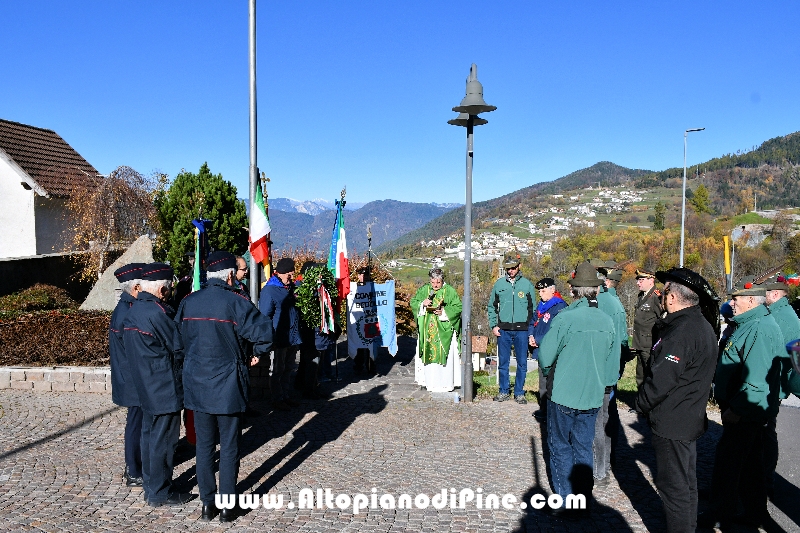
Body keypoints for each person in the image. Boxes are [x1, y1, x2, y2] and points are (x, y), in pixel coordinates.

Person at [175, 251, 273, 522]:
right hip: (228, 384)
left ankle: (208, 504)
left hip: (197, 385)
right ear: (230, 275)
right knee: (229, 446)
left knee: (204, 446)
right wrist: (256, 353)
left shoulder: (188, 302)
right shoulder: (236, 302)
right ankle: (228, 506)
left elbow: (177, 343)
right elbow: (264, 333)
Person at [698, 276, 785, 529]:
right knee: (750, 467)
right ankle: (755, 513)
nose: (731, 303)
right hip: (744, 408)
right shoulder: (751, 323)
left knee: (730, 463)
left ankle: (719, 512)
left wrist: (736, 410)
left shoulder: (758, 327)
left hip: (745, 410)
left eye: (735, 299)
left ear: (750, 300)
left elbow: (757, 380)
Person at [636, 267, 719, 533]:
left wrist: (641, 404)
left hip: (674, 421)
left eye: (665, 291)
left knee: (675, 490)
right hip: (686, 416)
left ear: (672, 297)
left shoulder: (682, 331)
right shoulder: (697, 323)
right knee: (686, 485)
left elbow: (661, 380)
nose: (661, 295)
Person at [538, 262, 615, 515]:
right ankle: (582, 500)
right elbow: (612, 363)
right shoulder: (606, 321)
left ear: (573, 290)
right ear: (595, 290)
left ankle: (565, 500)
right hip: (593, 395)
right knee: (584, 445)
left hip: (563, 394)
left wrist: (550, 375)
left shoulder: (566, 318)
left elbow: (545, 357)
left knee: (560, 446)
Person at [123, 263, 193, 507]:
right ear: (162, 289)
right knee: (163, 442)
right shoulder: (157, 313)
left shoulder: (134, 310)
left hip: (146, 386)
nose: (172, 290)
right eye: (170, 287)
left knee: (149, 438)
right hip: (164, 387)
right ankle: (160, 492)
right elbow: (179, 345)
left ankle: (151, 485)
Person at [757, 271, 800, 498]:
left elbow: (779, 356)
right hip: (772, 383)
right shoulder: (782, 313)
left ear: (774, 294)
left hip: (771, 385)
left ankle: (763, 483)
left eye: (764, 293)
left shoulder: (781, 318)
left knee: (765, 435)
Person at [109, 262, 146, 488]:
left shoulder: (127, 307)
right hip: (133, 379)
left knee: (137, 422)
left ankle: (135, 463)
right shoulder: (127, 312)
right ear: (135, 288)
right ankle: (134, 470)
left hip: (130, 377)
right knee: (135, 424)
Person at [591, 261, 627, 486]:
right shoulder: (616, 303)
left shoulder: (599, 302)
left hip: (597, 370)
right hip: (610, 371)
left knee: (596, 422)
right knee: (607, 417)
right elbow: (622, 341)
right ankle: (607, 463)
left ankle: (599, 470)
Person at [487, 254, 536, 404]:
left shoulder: (527, 285)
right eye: (508, 268)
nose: (511, 271)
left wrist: (530, 330)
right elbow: (491, 306)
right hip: (504, 330)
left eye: (513, 268)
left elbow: (532, 309)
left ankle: (519, 393)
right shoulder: (499, 285)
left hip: (522, 330)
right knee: (503, 362)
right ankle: (503, 391)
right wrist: (494, 325)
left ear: (519, 266)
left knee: (522, 363)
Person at [259, 257, 301, 411]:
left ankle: (286, 396)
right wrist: (268, 338)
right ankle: (277, 398)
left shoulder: (292, 288)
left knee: (289, 367)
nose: (290, 278)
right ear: (279, 273)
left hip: (293, 336)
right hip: (279, 337)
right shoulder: (269, 290)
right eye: (287, 275)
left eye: (292, 274)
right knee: (277, 370)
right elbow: (264, 316)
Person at [410, 268, 463, 392]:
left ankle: (446, 384)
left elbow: (458, 307)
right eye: (433, 282)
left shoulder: (449, 291)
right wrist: (422, 304)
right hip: (427, 330)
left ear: (442, 280)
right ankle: (429, 382)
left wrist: (444, 312)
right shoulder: (424, 290)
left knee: (445, 357)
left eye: (438, 282)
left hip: (444, 330)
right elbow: (413, 302)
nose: (435, 285)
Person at [528, 277, 567, 421]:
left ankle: (552, 412)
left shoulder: (559, 306)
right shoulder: (541, 305)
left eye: (543, 290)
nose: (540, 293)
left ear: (552, 290)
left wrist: (538, 340)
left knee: (551, 382)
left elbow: (556, 331)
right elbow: (533, 322)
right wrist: (530, 336)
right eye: (539, 291)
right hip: (540, 350)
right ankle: (544, 409)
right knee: (542, 382)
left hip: (552, 352)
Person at [631, 269, 661, 392]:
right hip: (639, 343)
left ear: (651, 280)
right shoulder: (641, 296)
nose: (638, 283)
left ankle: (649, 406)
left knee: (650, 375)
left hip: (649, 344)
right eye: (638, 280)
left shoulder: (656, 297)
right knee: (640, 375)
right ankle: (640, 404)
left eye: (641, 280)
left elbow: (662, 320)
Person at [352, 265, 377, 374]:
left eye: (366, 274)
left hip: (371, 320)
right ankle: (359, 365)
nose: (364, 277)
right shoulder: (354, 288)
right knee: (359, 344)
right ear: (358, 276)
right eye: (362, 274)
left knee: (371, 344)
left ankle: (371, 366)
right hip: (359, 320)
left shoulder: (374, 287)